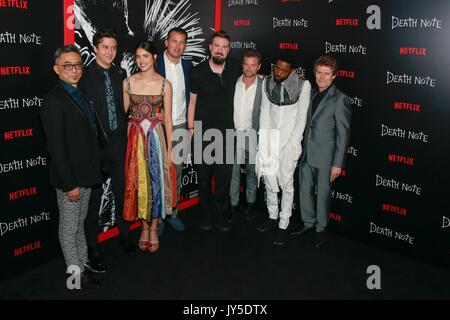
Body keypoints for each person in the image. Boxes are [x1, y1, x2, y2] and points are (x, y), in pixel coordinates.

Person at [40, 45, 105, 288]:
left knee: (79, 224)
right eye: (68, 65)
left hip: (86, 175)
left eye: (78, 64)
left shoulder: (81, 94)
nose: (74, 70)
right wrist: (69, 185)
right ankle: (75, 275)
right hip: (71, 180)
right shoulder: (54, 100)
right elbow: (55, 148)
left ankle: (84, 262)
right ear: (57, 69)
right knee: (69, 228)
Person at [79, 28, 135, 273]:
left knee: (123, 192)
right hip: (95, 148)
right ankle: (92, 247)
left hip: (119, 142)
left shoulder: (120, 72)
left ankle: (124, 235)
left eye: (113, 47)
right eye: (105, 47)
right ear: (95, 48)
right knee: (93, 200)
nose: (110, 52)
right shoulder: (84, 76)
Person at [292, 55, 351, 248]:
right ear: (315, 73)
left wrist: (338, 163)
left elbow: (344, 134)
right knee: (304, 190)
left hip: (326, 157)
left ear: (334, 76)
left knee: (323, 194)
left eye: (327, 74)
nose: (322, 78)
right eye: (319, 73)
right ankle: (308, 223)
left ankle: (320, 229)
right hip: (307, 153)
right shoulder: (311, 94)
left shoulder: (340, 99)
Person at [187, 30, 241, 231]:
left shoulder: (235, 67)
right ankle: (206, 214)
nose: (220, 50)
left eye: (224, 47)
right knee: (203, 179)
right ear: (210, 47)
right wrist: (191, 129)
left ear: (229, 50)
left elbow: (254, 74)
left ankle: (221, 214)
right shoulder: (197, 72)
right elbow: (192, 103)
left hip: (227, 134)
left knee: (223, 179)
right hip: (202, 133)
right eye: (217, 46)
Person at [122, 40, 173, 253]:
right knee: (137, 183)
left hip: (156, 138)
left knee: (156, 183)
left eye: (145, 56)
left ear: (154, 57)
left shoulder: (165, 84)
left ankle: (153, 228)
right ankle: (143, 227)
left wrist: (171, 149)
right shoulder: (128, 83)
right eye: (138, 56)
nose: (141, 60)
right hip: (134, 139)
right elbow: (122, 113)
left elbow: (168, 118)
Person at [255, 55, 311, 246]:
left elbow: (302, 116)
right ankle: (272, 216)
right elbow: (264, 111)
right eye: (276, 68)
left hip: (288, 142)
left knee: (286, 185)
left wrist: (294, 143)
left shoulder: (303, 86)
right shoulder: (267, 82)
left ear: (291, 71)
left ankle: (283, 224)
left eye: (283, 70)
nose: (278, 72)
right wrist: (263, 139)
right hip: (269, 138)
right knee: (270, 182)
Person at [156, 27, 192, 234]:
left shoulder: (188, 66)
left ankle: (173, 213)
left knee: (176, 172)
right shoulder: (155, 63)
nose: (178, 46)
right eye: (174, 41)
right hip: (159, 126)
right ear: (166, 42)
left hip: (179, 126)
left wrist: (189, 126)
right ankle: (158, 219)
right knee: (159, 173)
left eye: (182, 42)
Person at [229, 49, 263, 221]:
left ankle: (250, 202)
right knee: (233, 172)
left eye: (253, 65)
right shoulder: (234, 82)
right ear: (242, 64)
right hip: (234, 134)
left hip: (253, 135)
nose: (249, 68)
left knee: (252, 172)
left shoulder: (264, 85)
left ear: (259, 66)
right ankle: (234, 204)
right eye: (246, 64)